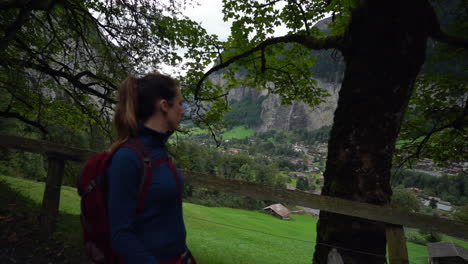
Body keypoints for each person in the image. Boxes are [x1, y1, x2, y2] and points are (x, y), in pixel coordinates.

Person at [107, 73, 190, 264]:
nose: (183, 110)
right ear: (164, 106)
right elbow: (120, 234)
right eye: (179, 103)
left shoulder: (160, 151)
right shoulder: (128, 157)